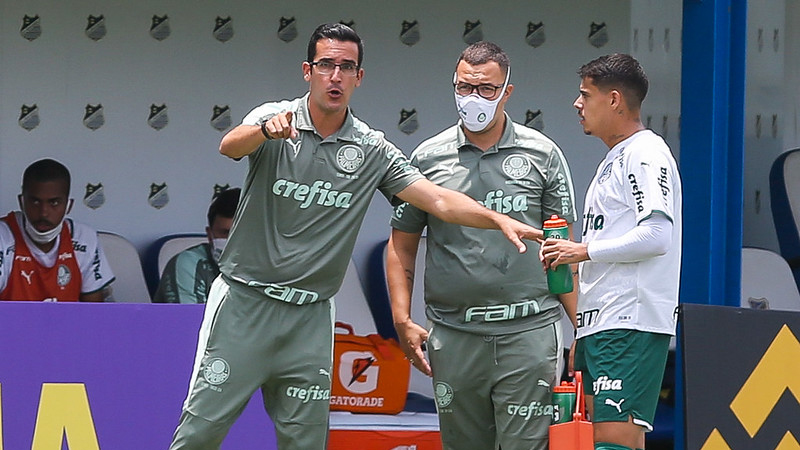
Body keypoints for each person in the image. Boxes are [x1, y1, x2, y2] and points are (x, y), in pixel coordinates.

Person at [168, 23, 544, 450]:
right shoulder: (277, 117)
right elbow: (230, 146)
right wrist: (265, 132)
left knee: (306, 442)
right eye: (326, 64)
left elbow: (437, 201)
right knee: (200, 433)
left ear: (358, 77)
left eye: (347, 67)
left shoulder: (371, 148)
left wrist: (496, 219)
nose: (336, 76)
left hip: (310, 317)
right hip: (245, 303)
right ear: (308, 70)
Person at [385, 41, 578, 450]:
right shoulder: (428, 157)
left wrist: (584, 328)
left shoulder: (542, 154)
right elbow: (401, 245)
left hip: (529, 332)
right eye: (464, 87)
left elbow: (564, 253)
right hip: (455, 335)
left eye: (486, 89)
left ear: (507, 91)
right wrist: (401, 319)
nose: (473, 98)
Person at [540, 53, 682, 450]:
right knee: (596, 441)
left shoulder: (645, 153)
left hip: (630, 321)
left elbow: (657, 236)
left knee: (613, 442)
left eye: (586, 95)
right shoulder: (614, 159)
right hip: (601, 324)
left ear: (615, 99)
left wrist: (582, 251)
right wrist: (581, 332)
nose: (577, 104)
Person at [0, 158, 115, 302]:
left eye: (54, 202)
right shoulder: (3, 236)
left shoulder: (84, 238)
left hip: (67, 325)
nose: (43, 213)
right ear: (21, 202)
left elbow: (93, 311)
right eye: (35, 201)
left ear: (69, 205)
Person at [153, 188, 240, 304]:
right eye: (225, 233)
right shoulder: (189, 264)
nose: (234, 241)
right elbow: (189, 320)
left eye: (242, 233)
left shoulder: (270, 265)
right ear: (210, 235)